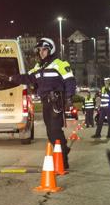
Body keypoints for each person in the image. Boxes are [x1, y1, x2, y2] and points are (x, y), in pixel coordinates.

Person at [9, 37, 76, 169]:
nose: (41, 52)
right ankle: (63, 148)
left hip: (56, 102)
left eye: (44, 50)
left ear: (50, 50)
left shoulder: (59, 64)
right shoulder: (38, 67)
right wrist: (11, 78)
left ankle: (63, 161)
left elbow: (70, 81)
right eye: (39, 50)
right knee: (50, 133)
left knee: (55, 130)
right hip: (45, 103)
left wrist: (69, 99)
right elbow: (27, 77)